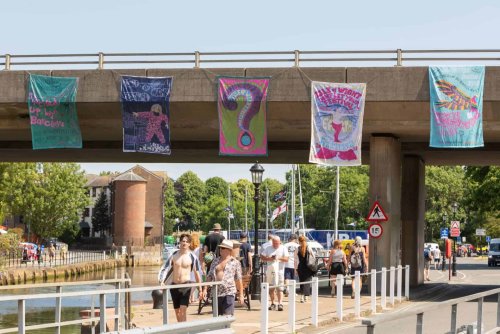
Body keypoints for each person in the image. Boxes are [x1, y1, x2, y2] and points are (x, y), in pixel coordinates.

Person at [158, 233, 203, 322]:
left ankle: (184, 330)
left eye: (186, 242)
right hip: (174, 286)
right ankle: (181, 328)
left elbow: (197, 273)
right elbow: (165, 268)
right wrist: (161, 281)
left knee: (183, 310)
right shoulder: (174, 254)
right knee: (177, 311)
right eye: (183, 241)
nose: (184, 243)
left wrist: (200, 289)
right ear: (180, 242)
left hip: (186, 286)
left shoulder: (192, 257)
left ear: (189, 244)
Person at [204, 240, 244, 316]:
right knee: (217, 317)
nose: (220, 249)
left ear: (229, 250)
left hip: (229, 292)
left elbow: (239, 279)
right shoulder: (215, 261)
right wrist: (205, 289)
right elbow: (209, 276)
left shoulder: (235, 262)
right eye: (220, 248)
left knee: (227, 316)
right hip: (216, 293)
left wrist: (241, 295)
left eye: (223, 248)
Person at [261, 235, 289, 311]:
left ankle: (280, 303)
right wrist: (269, 258)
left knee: (280, 288)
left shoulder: (283, 248)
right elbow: (262, 256)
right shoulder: (268, 248)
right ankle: (272, 303)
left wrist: (278, 258)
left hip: (280, 271)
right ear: (272, 242)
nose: (275, 244)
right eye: (274, 243)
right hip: (270, 270)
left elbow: (287, 259)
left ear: (279, 242)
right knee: (271, 288)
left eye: (277, 243)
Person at [296, 235, 316, 303]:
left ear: (299, 241)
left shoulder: (298, 248)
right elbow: (313, 256)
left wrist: (296, 268)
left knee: (301, 282)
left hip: (301, 267)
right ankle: (306, 297)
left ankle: (301, 296)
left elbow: (296, 259)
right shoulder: (308, 247)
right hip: (308, 267)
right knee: (307, 281)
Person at [189, 232, 203, 303]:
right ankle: (190, 297)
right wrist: (203, 269)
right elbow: (201, 260)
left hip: (189, 267)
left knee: (190, 282)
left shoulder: (188, 249)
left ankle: (192, 298)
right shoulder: (199, 249)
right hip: (197, 267)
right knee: (195, 282)